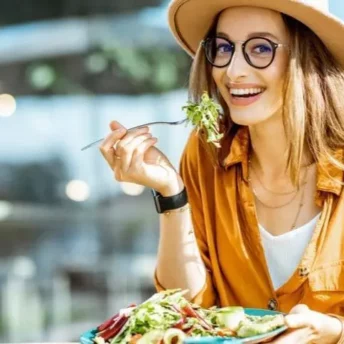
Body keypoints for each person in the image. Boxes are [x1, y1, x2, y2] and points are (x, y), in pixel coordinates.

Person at [99, 0, 344, 342]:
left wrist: (336, 331)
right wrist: (172, 192)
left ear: (307, 56)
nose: (232, 71)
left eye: (260, 48)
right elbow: (185, 310)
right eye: (224, 48)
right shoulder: (206, 154)